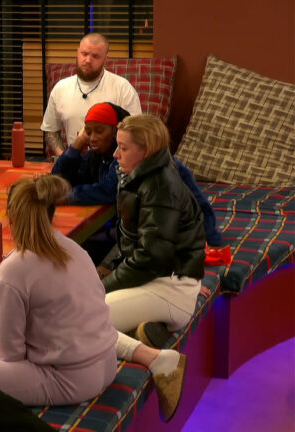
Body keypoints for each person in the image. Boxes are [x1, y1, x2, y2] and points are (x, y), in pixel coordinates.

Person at [0, 176, 187, 422]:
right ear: (50, 213)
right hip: (107, 365)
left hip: (71, 381)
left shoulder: (14, 268)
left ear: (11, 219)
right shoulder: (74, 248)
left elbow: (10, 355)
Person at [102, 114, 207, 418]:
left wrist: (100, 287)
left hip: (169, 288)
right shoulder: (142, 176)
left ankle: (161, 360)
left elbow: (150, 258)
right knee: (84, 306)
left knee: (81, 320)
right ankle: (144, 331)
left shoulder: (161, 186)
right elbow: (137, 246)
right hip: (158, 280)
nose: (115, 154)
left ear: (145, 150)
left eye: (123, 147)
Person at [52, 102, 223, 245]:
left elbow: (110, 190)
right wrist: (76, 146)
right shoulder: (100, 157)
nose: (92, 138)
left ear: (116, 131)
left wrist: (69, 197)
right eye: (88, 132)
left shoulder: (145, 162)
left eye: (99, 131)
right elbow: (59, 179)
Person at [41, 33, 141, 157]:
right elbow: (50, 130)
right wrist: (64, 158)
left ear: (106, 59)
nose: (88, 60)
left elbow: (135, 133)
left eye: (95, 56)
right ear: (77, 53)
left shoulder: (123, 88)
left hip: (111, 162)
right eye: (84, 54)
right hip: (74, 161)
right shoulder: (61, 88)